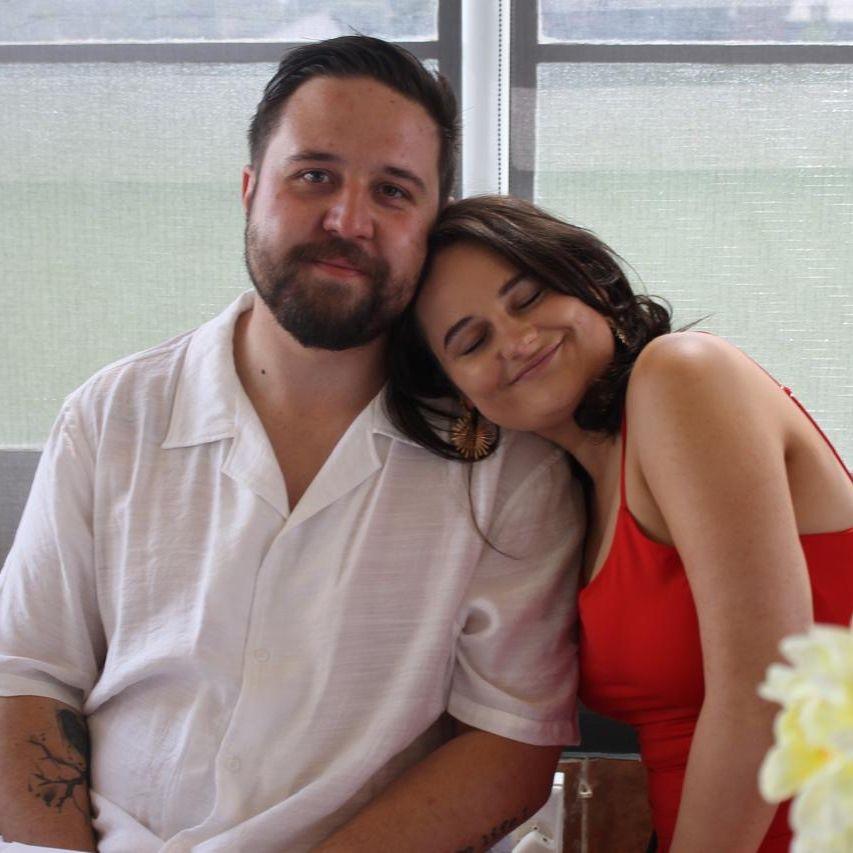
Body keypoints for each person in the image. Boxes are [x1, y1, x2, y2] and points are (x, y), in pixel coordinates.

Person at [0, 42, 585, 852]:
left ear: (432, 224)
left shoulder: (505, 462)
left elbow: (509, 743)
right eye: (313, 175)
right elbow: (25, 675)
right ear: (249, 190)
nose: (348, 220)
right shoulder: (111, 416)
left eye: (392, 190)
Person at [387, 194, 853, 853]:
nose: (516, 339)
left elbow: (764, 689)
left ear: (593, 284)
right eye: (472, 341)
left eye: (529, 298)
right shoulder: (578, 495)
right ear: (460, 395)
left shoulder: (681, 375)